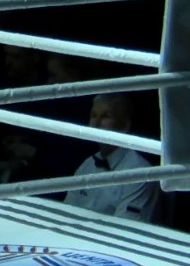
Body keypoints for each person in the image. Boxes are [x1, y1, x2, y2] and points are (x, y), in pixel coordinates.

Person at [63, 93, 160, 222]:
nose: (96, 123)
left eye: (105, 116)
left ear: (124, 126)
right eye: (94, 116)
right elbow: (66, 213)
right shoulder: (87, 165)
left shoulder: (140, 173)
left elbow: (124, 227)